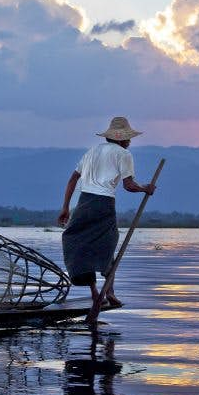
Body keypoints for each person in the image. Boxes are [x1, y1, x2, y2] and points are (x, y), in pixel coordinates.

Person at [58, 117, 155, 308]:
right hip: (103, 204)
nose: (129, 142)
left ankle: (96, 292)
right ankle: (109, 291)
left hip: (83, 203)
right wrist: (146, 189)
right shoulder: (123, 154)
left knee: (76, 242)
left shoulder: (92, 151)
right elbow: (128, 186)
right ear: (121, 139)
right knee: (108, 243)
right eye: (128, 138)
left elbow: (72, 180)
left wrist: (65, 208)